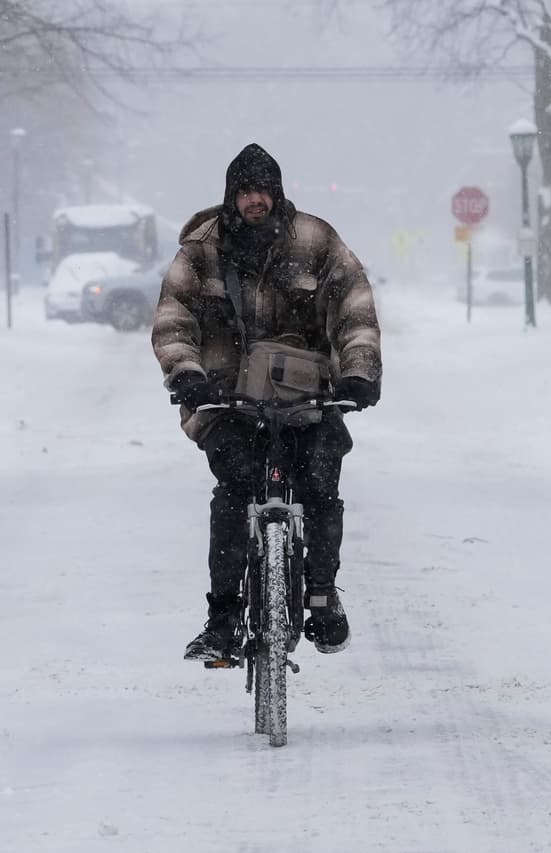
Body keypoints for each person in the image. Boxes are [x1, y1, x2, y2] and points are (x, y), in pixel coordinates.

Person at [151, 143, 382, 661]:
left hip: (308, 397)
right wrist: (187, 376)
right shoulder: (201, 250)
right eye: (245, 191)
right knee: (234, 491)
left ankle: (322, 595)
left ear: (277, 193)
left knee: (321, 478)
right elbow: (173, 320)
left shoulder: (318, 242)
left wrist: (359, 372)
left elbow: (355, 309)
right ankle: (224, 618)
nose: (255, 201)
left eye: (263, 190)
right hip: (226, 399)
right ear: (231, 196)